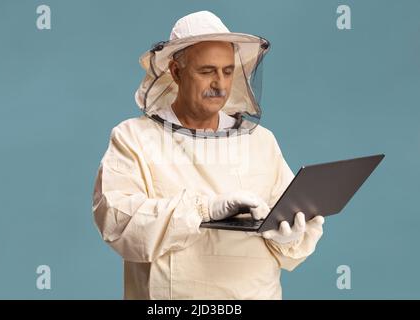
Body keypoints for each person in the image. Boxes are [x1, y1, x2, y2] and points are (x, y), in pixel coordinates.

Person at [92, 10, 325, 299]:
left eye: (228, 71)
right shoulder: (134, 139)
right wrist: (204, 210)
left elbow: (292, 227)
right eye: (206, 71)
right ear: (176, 72)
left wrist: (291, 234)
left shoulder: (261, 141)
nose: (220, 84)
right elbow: (119, 224)